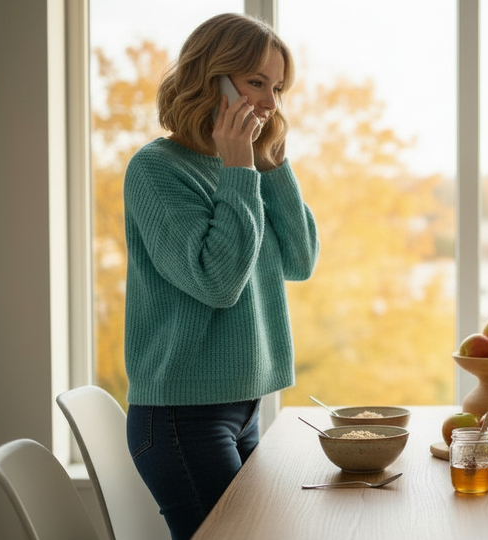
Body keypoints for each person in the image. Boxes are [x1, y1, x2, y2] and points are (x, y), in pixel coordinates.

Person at [123, 13, 319, 540]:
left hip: (242, 406)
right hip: (182, 417)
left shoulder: (247, 167)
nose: (271, 103)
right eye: (257, 82)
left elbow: (300, 261)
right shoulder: (156, 169)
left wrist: (269, 163)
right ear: (213, 77)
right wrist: (239, 171)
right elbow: (217, 282)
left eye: (277, 88)